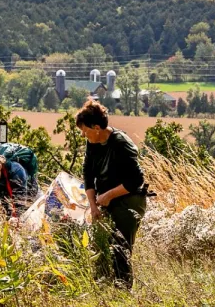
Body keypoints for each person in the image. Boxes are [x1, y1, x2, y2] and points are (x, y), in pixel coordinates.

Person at [77, 100, 147, 289]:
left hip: (129, 200)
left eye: (85, 130)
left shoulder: (121, 144)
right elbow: (88, 174)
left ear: (97, 127)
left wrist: (108, 195)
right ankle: (103, 286)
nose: (83, 135)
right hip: (105, 200)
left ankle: (123, 291)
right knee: (101, 245)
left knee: (120, 247)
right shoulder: (92, 143)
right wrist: (93, 205)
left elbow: (136, 180)